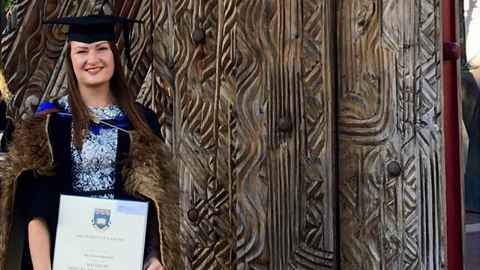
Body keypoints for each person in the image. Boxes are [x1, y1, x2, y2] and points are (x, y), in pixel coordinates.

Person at [0, 15, 180, 270]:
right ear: (70, 59)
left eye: (102, 49)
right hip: (60, 262)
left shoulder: (141, 122)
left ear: (114, 56)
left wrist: (154, 257)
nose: (92, 60)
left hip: (127, 260)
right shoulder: (50, 122)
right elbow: (36, 208)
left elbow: (159, 205)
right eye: (82, 51)